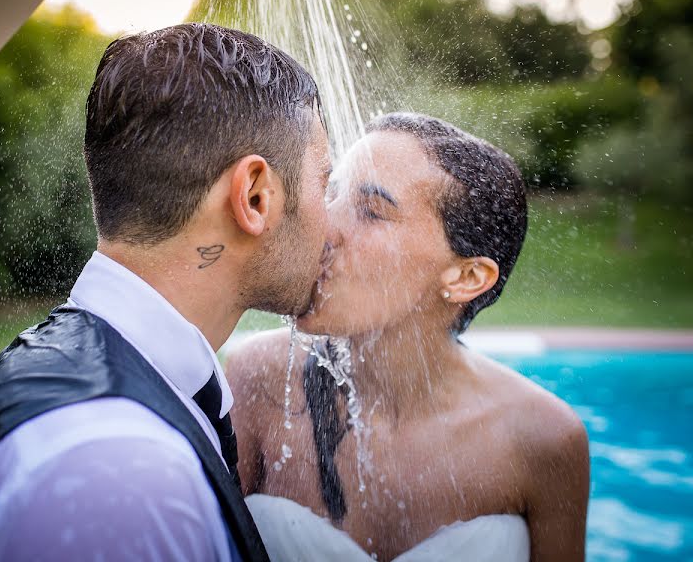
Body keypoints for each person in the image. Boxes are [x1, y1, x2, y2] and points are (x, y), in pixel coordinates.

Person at [0, 23, 333, 562]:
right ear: (255, 197)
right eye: (324, 183)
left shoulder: (97, 377)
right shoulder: (122, 476)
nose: (333, 221)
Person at [226, 113, 590, 562]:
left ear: (467, 276)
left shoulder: (542, 438)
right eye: (331, 194)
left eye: (372, 211)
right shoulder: (255, 378)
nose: (324, 227)